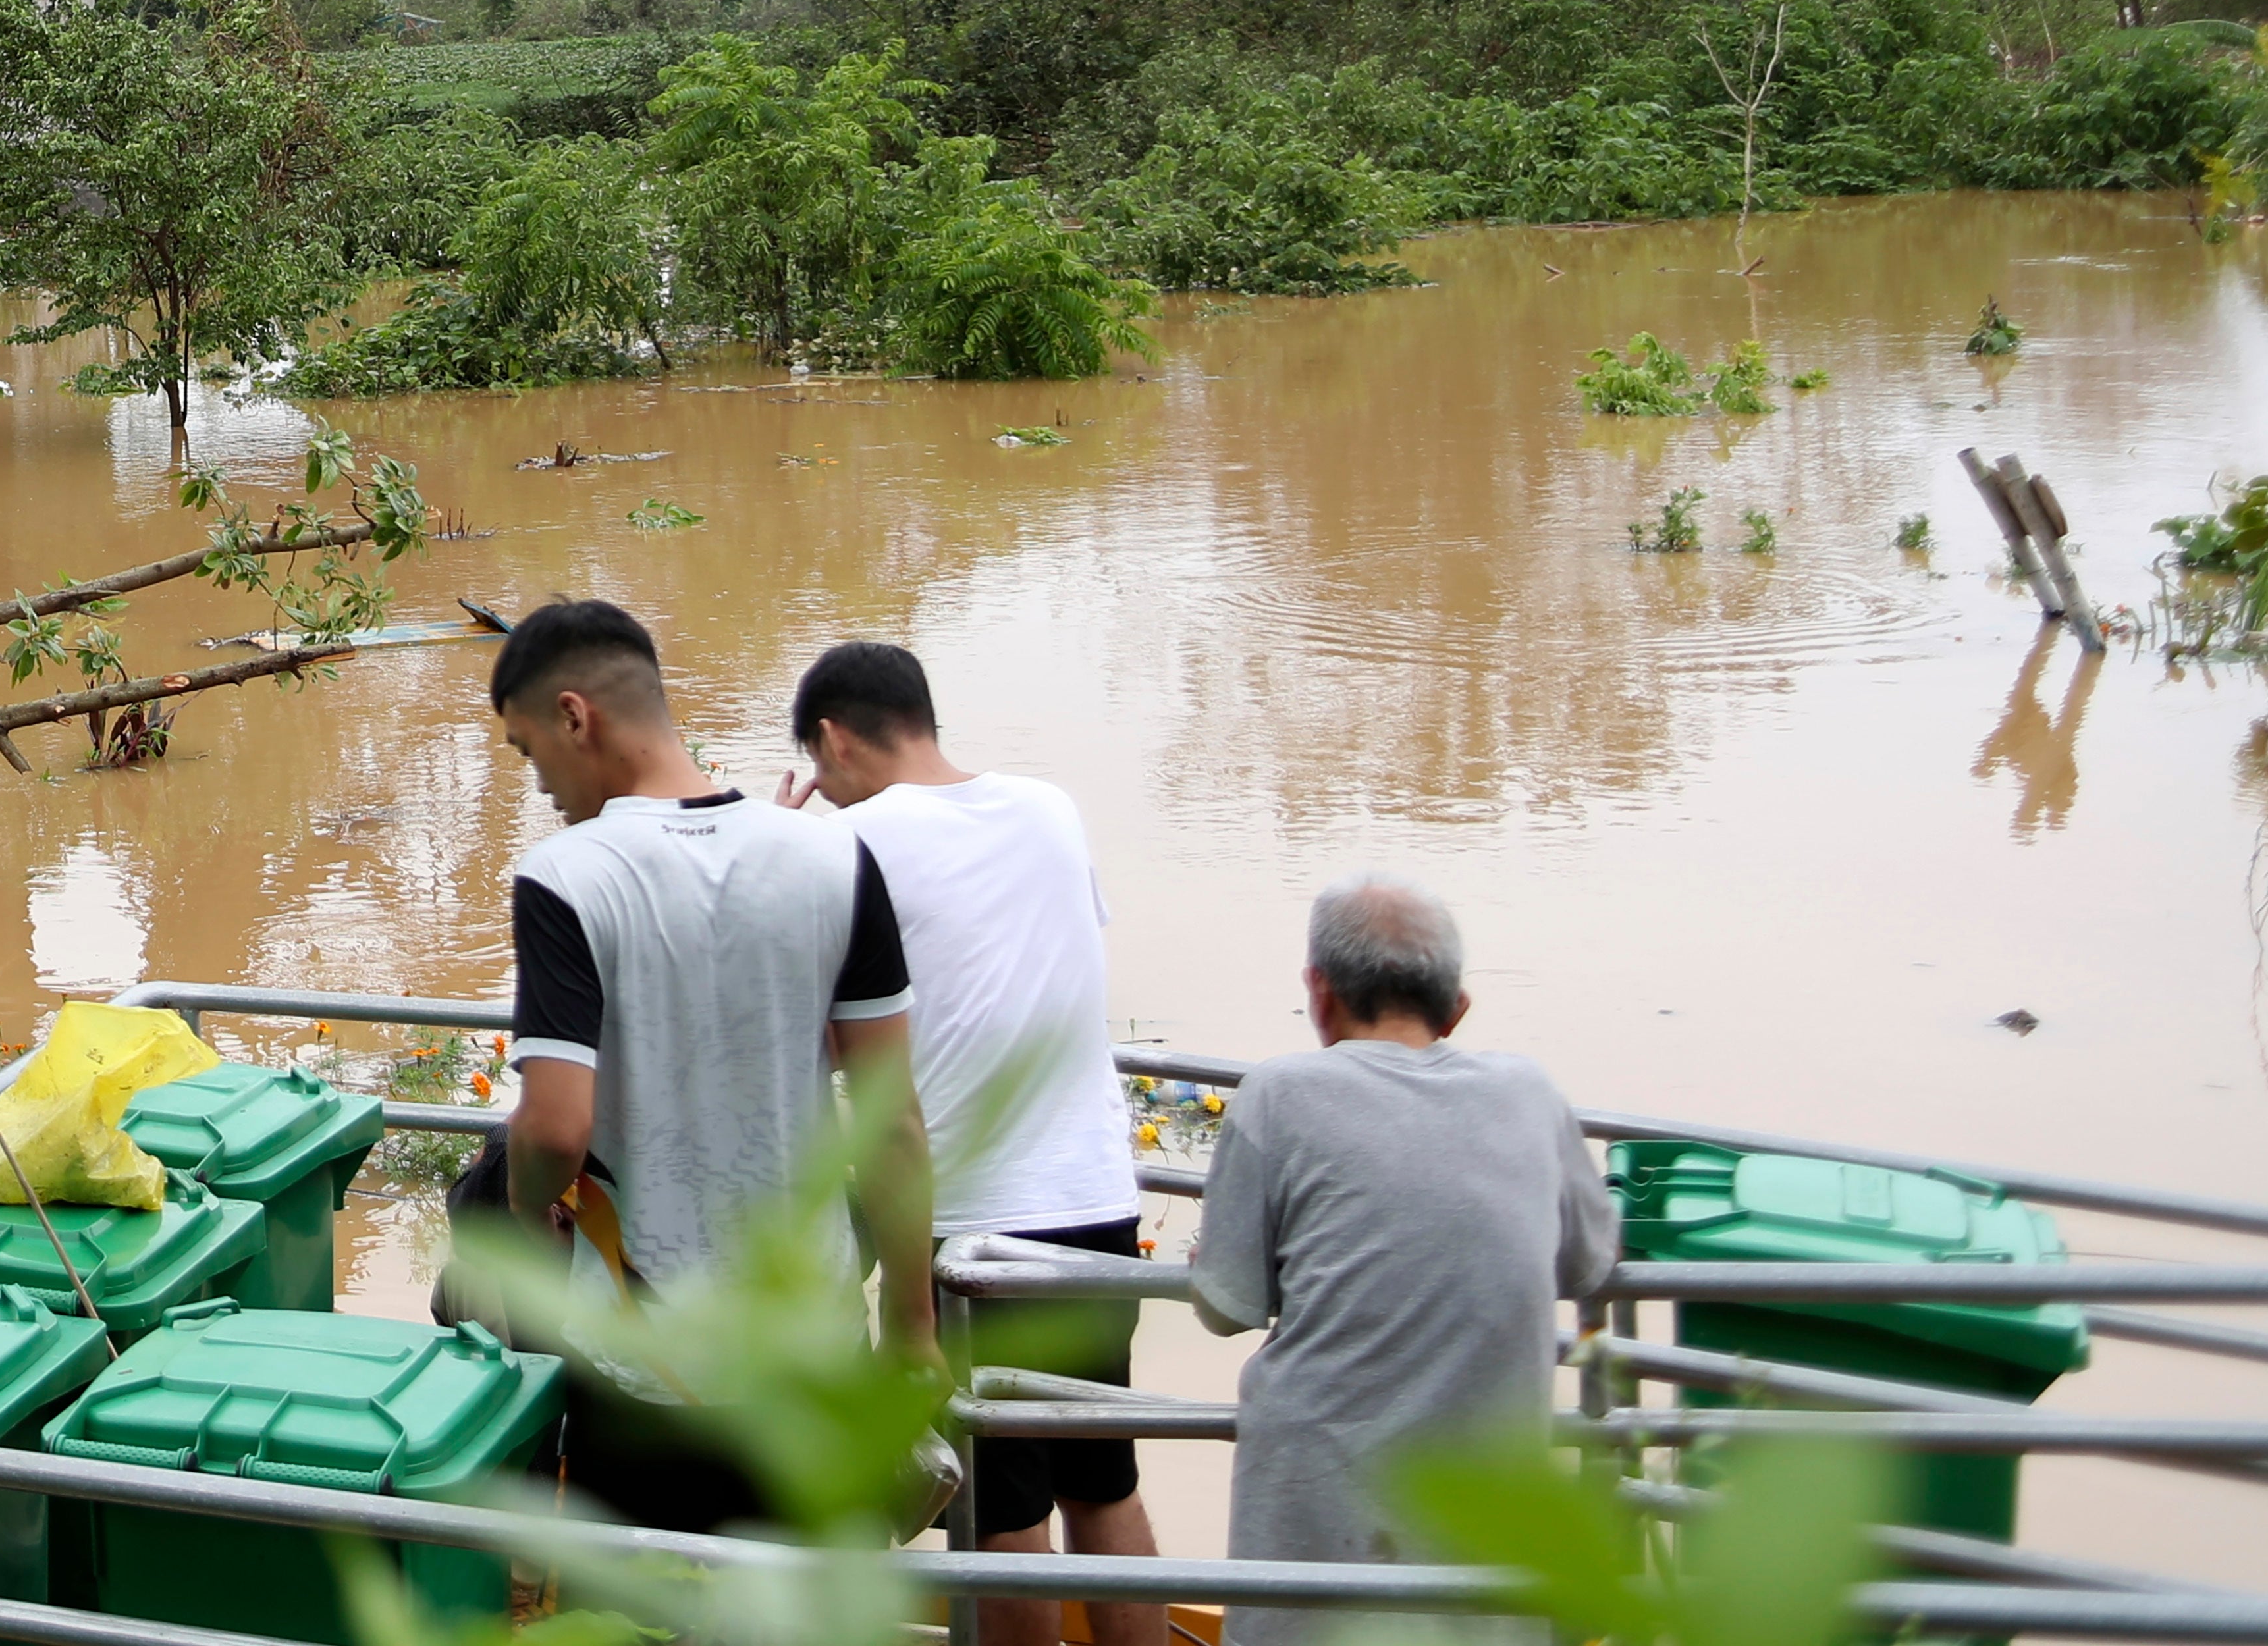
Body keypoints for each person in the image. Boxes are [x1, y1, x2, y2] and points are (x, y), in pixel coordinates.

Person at [484, 597, 932, 1531]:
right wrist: (914, 1330)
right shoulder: (835, 852)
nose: (538, 785)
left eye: (529, 751)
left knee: (649, 1620)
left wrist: (530, 1208)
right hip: (814, 1352)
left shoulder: (568, 874)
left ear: (576, 714)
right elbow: (890, 1118)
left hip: (648, 1372)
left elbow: (558, 1127)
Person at [780, 642, 1158, 1646]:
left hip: (981, 1225)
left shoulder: (848, 843)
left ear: (830, 740)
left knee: (1001, 1516)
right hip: (1097, 1198)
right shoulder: (1050, 806)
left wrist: (780, 851)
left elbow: (811, 1033)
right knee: (1103, 1480)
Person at [1187, 876, 1617, 1633]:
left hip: (1318, 1520)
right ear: (1457, 1008)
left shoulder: (1279, 1093)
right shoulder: (1529, 1091)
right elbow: (1588, 1264)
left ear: (1318, 994)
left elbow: (1225, 1306)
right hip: (1486, 1526)